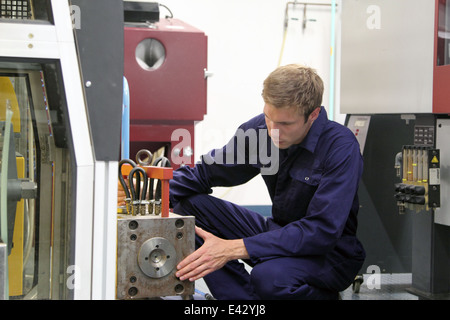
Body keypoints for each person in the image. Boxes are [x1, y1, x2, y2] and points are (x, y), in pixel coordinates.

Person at [120, 64, 365, 300]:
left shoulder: (340, 147)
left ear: (313, 115)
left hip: (329, 254)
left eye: (285, 124)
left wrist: (232, 248)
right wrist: (148, 195)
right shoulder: (261, 131)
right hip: (278, 233)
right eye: (269, 117)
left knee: (269, 279)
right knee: (191, 208)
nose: (273, 131)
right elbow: (206, 172)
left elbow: (321, 231)